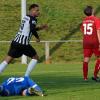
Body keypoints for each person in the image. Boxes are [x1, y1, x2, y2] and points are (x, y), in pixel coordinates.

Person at [0, 4, 47, 77]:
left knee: (7, 60)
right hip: (23, 44)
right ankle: (26, 77)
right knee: (35, 58)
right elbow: (32, 29)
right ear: (31, 10)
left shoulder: (26, 17)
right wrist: (37, 37)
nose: (38, 12)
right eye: (37, 10)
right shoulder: (33, 19)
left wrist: (40, 28)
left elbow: (29, 28)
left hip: (15, 42)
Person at [81, 6, 100, 81]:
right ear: (92, 11)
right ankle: (95, 75)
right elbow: (98, 31)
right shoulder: (96, 19)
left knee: (86, 59)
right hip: (95, 42)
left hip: (86, 42)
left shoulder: (84, 21)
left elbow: (83, 31)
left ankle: (85, 77)